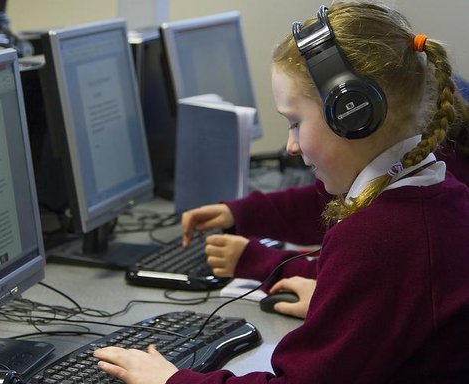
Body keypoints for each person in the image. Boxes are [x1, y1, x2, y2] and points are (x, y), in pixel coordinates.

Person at [93, 1, 469, 382]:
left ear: (352, 114)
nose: (290, 146)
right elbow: (381, 296)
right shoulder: (439, 193)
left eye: (294, 122)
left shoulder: (378, 237)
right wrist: (331, 305)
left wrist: (170, 380)